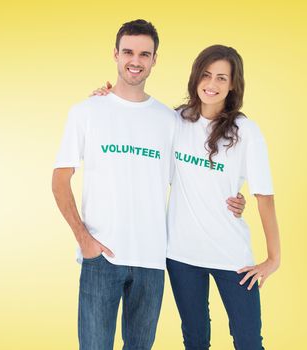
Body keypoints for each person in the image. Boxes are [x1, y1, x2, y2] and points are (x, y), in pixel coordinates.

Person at [51, 20, 246, 350]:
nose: (135, 61)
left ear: (155, 59)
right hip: (101, 257)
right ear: (115, 54)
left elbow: (194, 173)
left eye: (144, 54)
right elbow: (59, 181)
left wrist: (234, 197)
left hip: (152, 260)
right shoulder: (86, 112)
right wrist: (85, 240)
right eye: (128, 52)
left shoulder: (170, 120)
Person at [93, 45, 280, 350]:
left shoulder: (247, 132)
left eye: (222, 78)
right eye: (206, 75)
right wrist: (106, 100)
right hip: (181, 255)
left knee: (248, 341)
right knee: (194, 340)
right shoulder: (175, 120)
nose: (212, 84)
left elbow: (264, 196)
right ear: (195, 78)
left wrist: (273, 259)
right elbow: (134, 124)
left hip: (231, 256)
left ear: (233, 84)